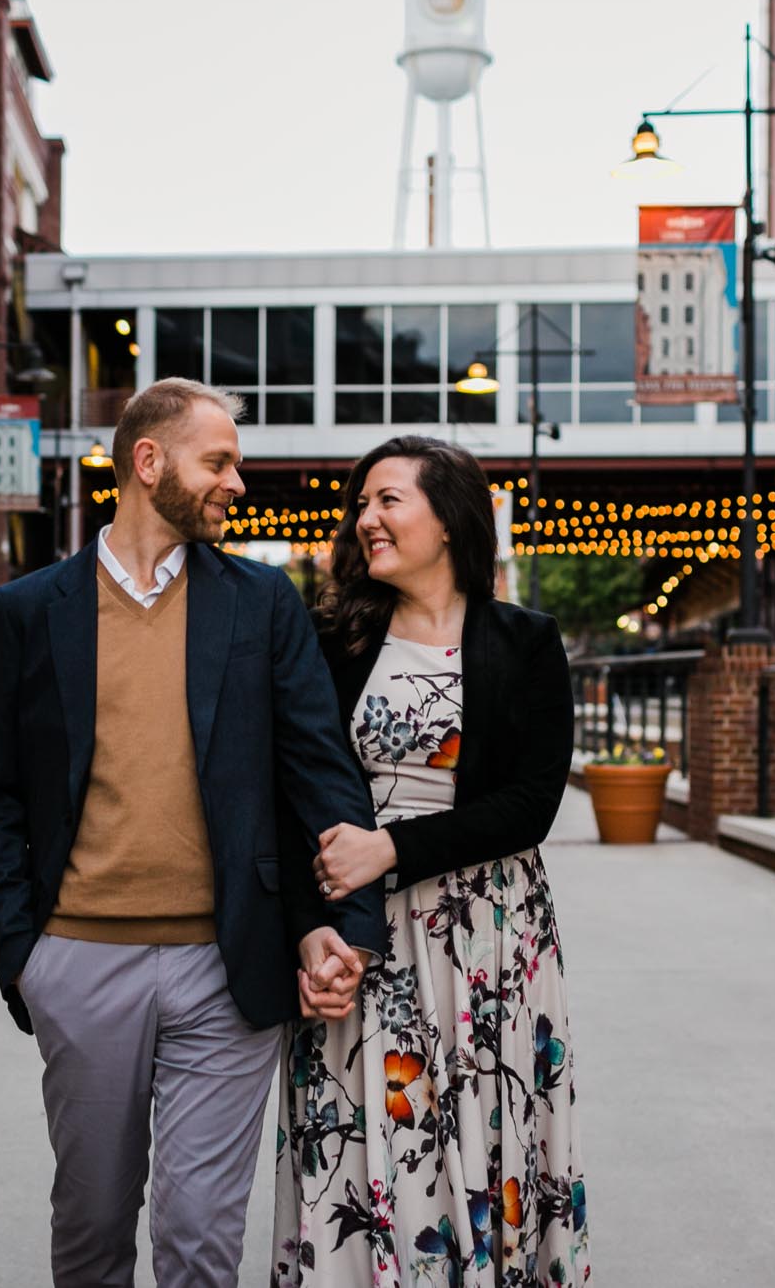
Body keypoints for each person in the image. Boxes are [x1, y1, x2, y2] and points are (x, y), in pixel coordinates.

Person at [0, 378, 385, 1288]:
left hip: (225, 969)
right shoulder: (33, 610)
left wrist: (346, 923)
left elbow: (319, 771)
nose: (238, 482)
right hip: (78, 960)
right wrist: (20, 951)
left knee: (198, 1237)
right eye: (219, 461)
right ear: (148, 463)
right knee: (94, 1224)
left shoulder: (261, 602)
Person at [273, 435, 588, 1286]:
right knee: (365, 1133)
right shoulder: (330, 640)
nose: (365, 519)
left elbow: (532, 803)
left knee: (484, 1129)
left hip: (488, 936)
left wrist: (391, 848)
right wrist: (311, 928)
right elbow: (289, 792)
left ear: (448, 519)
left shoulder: (524, 641)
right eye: (361, 505)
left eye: (387, 500)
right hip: (356, 933)